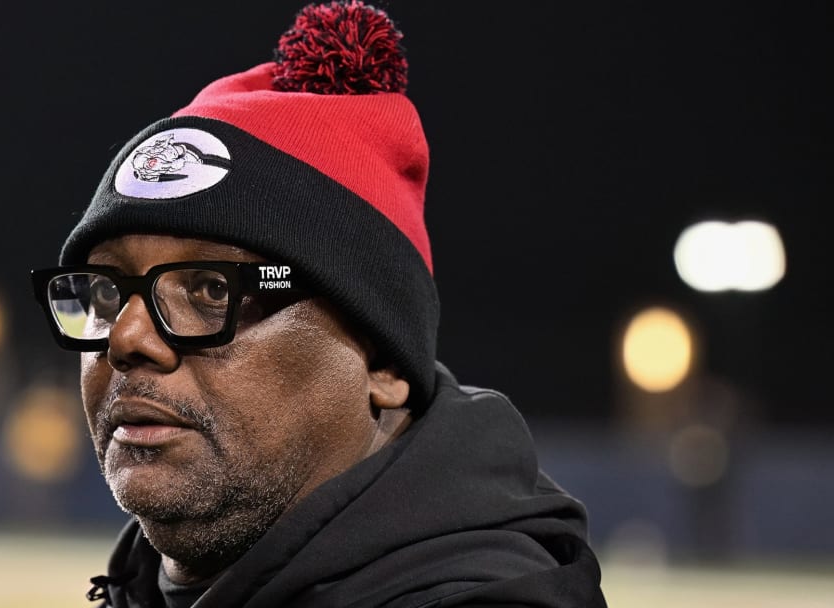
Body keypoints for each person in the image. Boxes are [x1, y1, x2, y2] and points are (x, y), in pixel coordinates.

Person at [31, 1, 608, 606]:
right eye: (104, 290)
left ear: (381, 359)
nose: (125, 338)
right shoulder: (147, 581)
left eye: (210, 290)